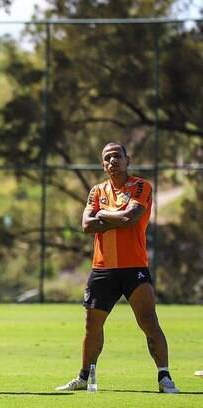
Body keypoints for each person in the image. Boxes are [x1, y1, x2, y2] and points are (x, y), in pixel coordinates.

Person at [56, 142, 178, 393]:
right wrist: (116, 215)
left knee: (148, 321)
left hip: (134, 266)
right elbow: (87, 225)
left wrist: (104, 214)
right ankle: (83, 377)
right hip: (102, 268)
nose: (113, 161)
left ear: (127, 159)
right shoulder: (97, 191)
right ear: (103, 164)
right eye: (107, 158)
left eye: (117, 156)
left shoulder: (141, 186)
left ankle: (164, 378)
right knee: (92, 326)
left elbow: (131, 218)